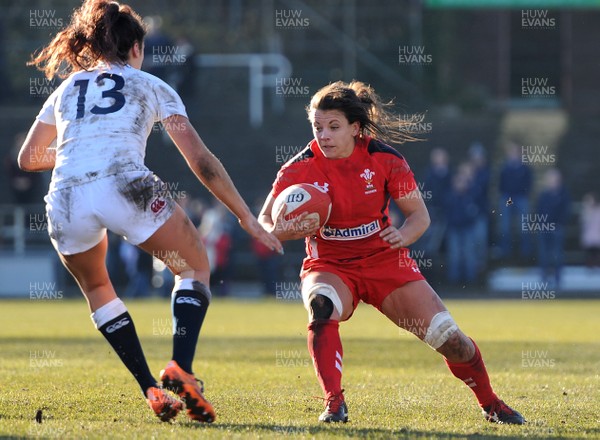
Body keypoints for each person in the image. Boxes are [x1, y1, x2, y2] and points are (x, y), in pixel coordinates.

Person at [19, 0, 281, 424]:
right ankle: (181, 366)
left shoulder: (67, 88)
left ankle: (151, 389)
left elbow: (28, 159)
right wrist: (245, 216)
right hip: (126, 185)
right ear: (136, 47)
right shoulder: (150, 85)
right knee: (193, 267)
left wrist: (80, 152)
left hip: (66, 197)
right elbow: (202, 163)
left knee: (100, 290)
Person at [258, 81, 525, 425]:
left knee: (451, 339)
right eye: (318, 126)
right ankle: (334, 403)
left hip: (386, 261)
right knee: (321, 306)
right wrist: (282, 230)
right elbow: (264, 220)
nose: (323, 135)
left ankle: (491, 404)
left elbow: (420, 217)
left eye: (333, 127)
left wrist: (402, 235)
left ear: (355, 128)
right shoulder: (298, 168)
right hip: (330, 264)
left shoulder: (384, 158)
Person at [497, 142, 533, 260]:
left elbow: (529, 183)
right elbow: (501, 184)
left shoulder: (525, 169)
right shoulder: (504, 168)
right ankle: (505, 251)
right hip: (508, 197)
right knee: (505, 225)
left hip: (521, 197)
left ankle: (526, 251)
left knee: (524, 225)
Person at [444, 163, 479, 284]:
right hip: (454, 228)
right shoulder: (450, 197)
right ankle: (454, 281)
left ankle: (471, 280)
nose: (460, 185)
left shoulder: (470, 196)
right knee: (454, 254)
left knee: (469, 254)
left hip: (468, 228)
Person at [535, 168, 570, 288]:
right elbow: (539, 211)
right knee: (544, 255)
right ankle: (544, 279)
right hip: (544, 228)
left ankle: (558, 280)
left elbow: (565, 212)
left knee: (557, 255)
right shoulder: (543, 195)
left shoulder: (563, 194)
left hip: (557, 228)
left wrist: (558, 224)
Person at [580, 192, 600, 268]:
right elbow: (584, 224)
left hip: (597, 236)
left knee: (596, 255)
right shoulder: (585, 212)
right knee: (589, 256)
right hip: (588, 237)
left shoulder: (598, 210)